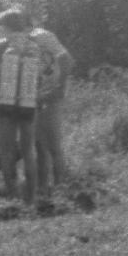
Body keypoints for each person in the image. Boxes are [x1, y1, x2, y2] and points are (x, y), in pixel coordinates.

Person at [0, 8, 47, 203]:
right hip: (29, 104)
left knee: (6, 150)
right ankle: (31, 196)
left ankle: (12, 195)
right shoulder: (34, 45)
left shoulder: (0, 45)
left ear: (5, 26)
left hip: (5, 103)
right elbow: (41, 76)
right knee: (29, 150)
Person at [28, 15, 75, 193]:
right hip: (32, 97)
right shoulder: (13, 42)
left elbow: (67, 59)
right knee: (39, 145)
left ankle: (60, 187)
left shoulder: (43, 36)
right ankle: (43, 188)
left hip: (50, 95)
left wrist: (60, 87)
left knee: (53, 144)